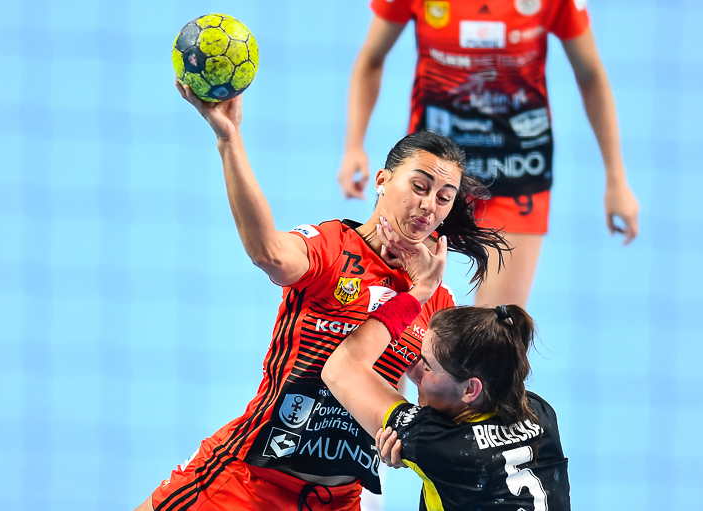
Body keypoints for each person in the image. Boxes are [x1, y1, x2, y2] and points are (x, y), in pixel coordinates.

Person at [134, 81, 508, 511]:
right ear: (383, 180)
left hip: (337, 499)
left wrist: (412, 433)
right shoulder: (332, 246)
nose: (429, 206)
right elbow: (268, 253)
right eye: (419, 187)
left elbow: (446, 393)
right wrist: (229, 139)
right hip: (247, 483)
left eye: (444, 198)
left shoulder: (436, 299)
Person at [337, 0, 640, 307]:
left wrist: (617, 180)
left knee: (497, 326)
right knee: (396, 304)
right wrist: (353, 146)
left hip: (519, 172)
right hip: (432, 177)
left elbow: (591, 76)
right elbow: (371, 59)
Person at [322, 227, 570, 510]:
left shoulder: (435, 442)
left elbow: (341, 368)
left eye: (427, 367)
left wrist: (420, 291)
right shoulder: (539, 411)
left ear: (470, 389)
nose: (412, 370)